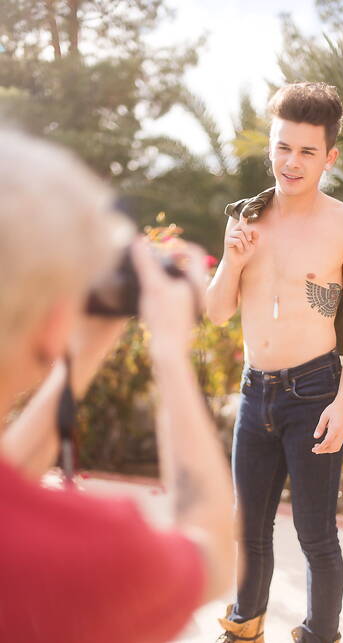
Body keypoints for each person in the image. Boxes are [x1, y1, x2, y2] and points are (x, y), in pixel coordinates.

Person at [0, 130, 236, 643]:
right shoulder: (84, 554)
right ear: (54, 322)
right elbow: (214, 554)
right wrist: (169, 352)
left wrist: (84, 350)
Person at [207, 82, 343, 643]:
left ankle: (319, 635)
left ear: (331, 156)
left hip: (315, 393)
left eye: (307, 151)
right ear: (270, 148)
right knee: (248, 529)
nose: (292, 162)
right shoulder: (246, 217)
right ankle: (244, 627)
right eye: (283, 147)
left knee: (316, 535)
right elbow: (217, 313)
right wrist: (233, 261)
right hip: (256, 392)